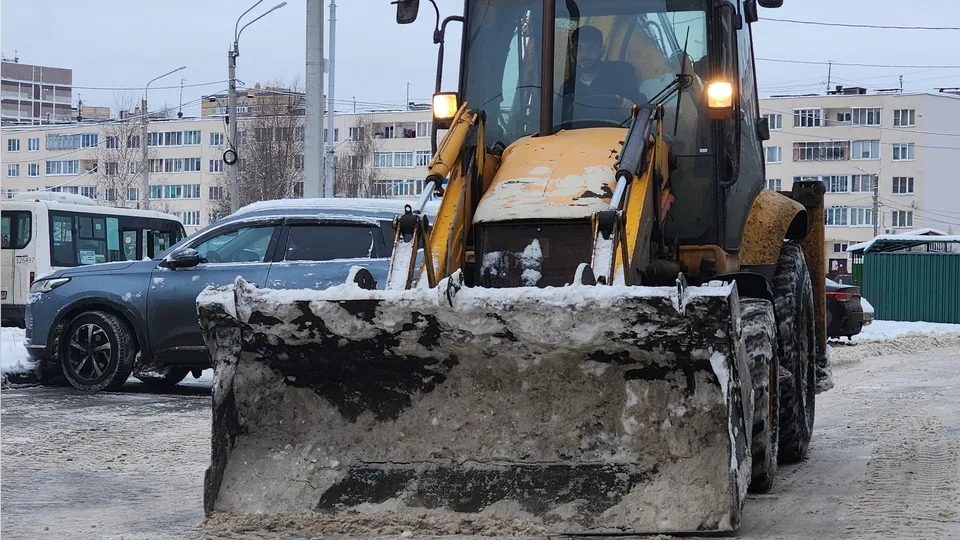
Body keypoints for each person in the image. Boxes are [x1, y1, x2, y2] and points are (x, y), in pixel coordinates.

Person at [558, 24, 645, 124]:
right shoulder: (567, 88)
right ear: (573, 52)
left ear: (602, 51)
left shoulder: (621, 78)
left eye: (590, 48)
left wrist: (632, 111)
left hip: (617, 137)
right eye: (579, 48)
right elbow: (558, 123)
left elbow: (643, 114)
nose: (584, 54)